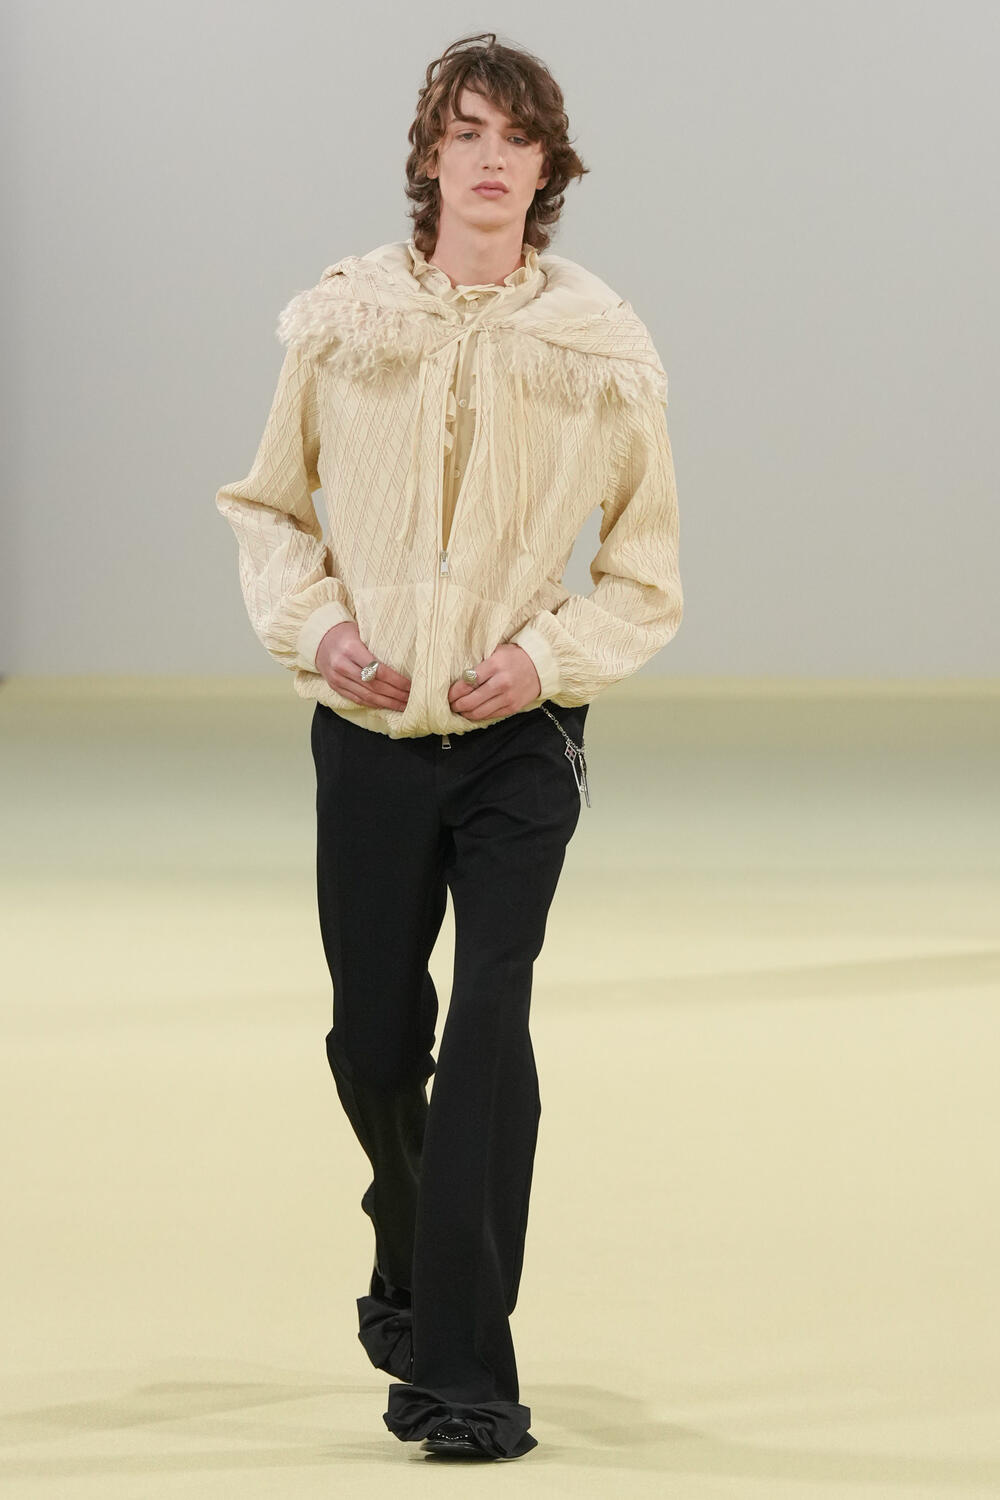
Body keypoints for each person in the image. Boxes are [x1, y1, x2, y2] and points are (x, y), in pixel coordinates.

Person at [215, 31, 683, 1462]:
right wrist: (318, 633)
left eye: (516, 138)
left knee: (487, 1021)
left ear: (548, 169)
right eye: (465, 132)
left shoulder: (600, 348)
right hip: (368, 727)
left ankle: (466, 1377)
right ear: (429, 156)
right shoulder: (345, 321)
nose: (490, 159)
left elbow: (646, 574)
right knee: (374, 1039)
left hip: (519, 737)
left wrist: (543, 660)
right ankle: (410, 1241)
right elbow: (269, 507)